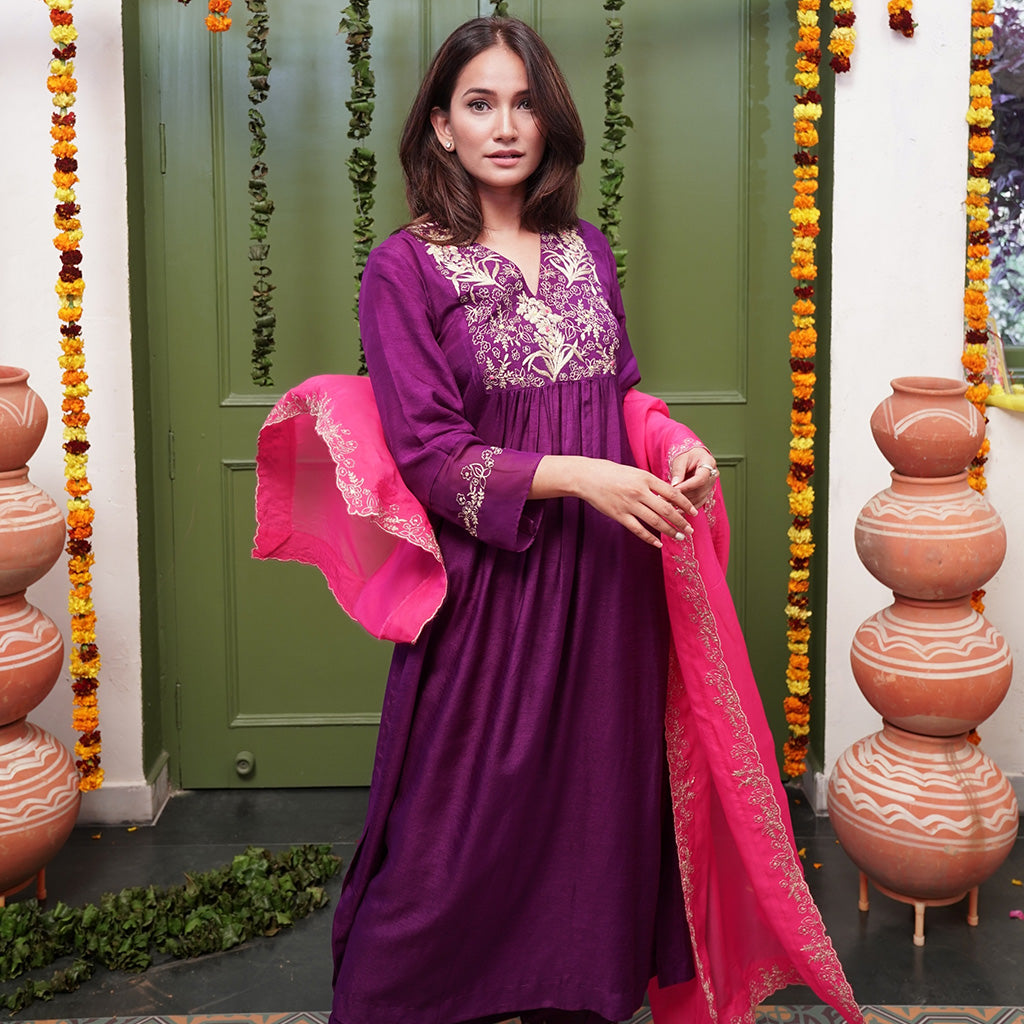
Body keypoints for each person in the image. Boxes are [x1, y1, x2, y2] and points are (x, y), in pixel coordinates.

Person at [254, 15, 864, 1024]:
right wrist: (583, 478)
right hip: (492, 595)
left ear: (550, 121)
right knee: (450, 836)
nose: (505, 125)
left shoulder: (584, 249)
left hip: (607, 595)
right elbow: (431, 454)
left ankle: (570, 991)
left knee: (596, 823)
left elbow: (619, 387)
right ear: (440, 128)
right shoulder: (405, 270)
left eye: (524, 102)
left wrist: (668, 443)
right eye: (479, 104)